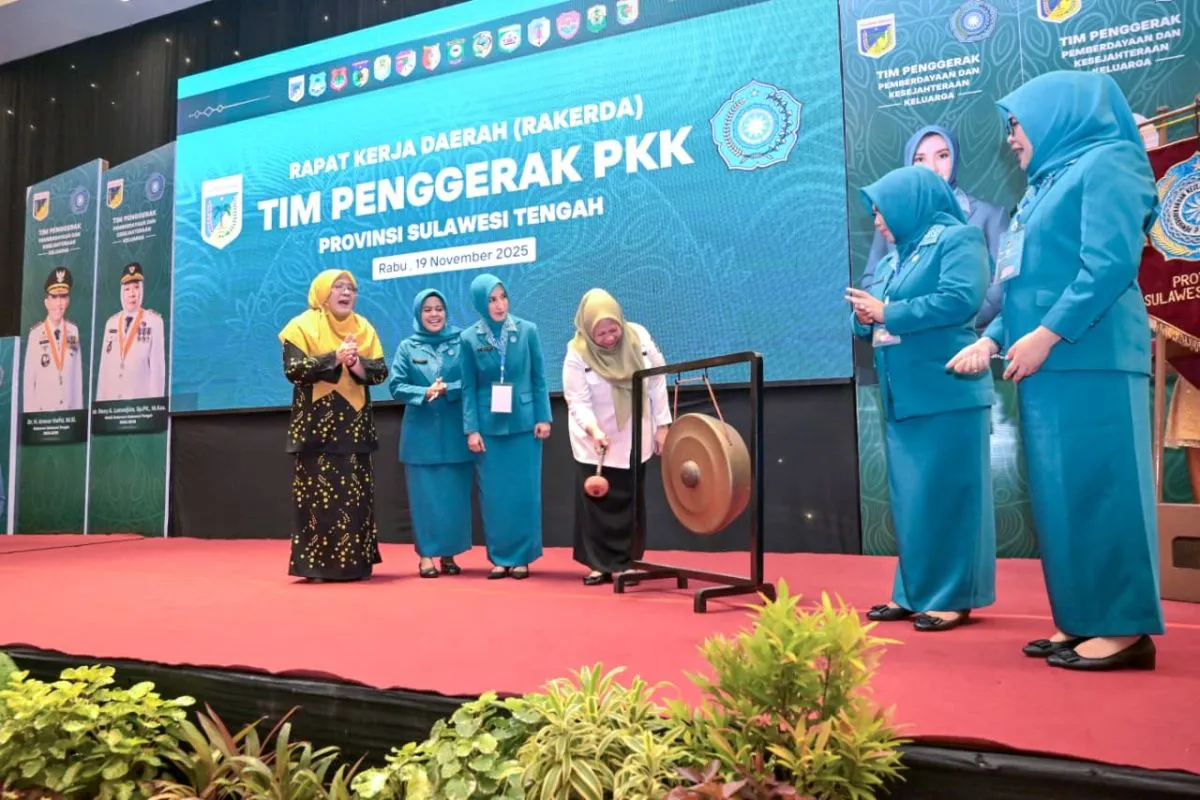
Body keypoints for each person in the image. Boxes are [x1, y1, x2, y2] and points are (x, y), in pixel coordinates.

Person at [948, 70, 1165, 670]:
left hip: (1093, 359)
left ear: (1057, 113)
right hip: (1045, 365)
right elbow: (1023, 287)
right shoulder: (1041, 187)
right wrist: (992, 339)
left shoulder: (1111, 162)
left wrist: (1045, 335)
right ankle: (1082, 616)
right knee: (1062, 498)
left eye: (1017, 123)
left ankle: (1123, 628)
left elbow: (1109, 266)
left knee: (1104, 491)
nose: (1011, 137)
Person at [845, 165, 996, 632]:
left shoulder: (959, 239)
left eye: (881, 211)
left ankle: (952, 597)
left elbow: (961, 299)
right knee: (913, 501)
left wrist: (887, 312)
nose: (877, 221)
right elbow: (870, 315)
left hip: (948, 390)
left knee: (951, 497)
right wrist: (864, 317)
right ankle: (913, 593)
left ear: (909, 204)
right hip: (902, 396)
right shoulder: (892, 260)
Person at [278, 269, 388, 582]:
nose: (346, 292)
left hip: (355, 426)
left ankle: (356, 565)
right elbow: (294, 370)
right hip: (316, 427)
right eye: (338, 287)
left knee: (355, 499)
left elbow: (380, 372)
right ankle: (317, 567)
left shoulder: (364, 327)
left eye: (351, 288)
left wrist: (356, 363)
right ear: (323, 293)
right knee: (318, 500)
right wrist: (335, 358)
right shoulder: (301, 326)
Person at [562, 289, 672, 585]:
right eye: (601, 333)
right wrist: (594, 430)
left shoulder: (640, 337)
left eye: (614, 330)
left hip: (635, 434)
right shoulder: (576, 352)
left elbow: (657, 380)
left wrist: (663, 425)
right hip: (594, 438)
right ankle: (598, 564)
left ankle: (627, 562)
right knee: (597, 504)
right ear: (588, 330)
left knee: (630, 501)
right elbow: (577, 400)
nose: (609, 338)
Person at [863, 124, 1010, 331]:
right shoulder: (890, 218)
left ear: (955, 158)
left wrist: (951, 320)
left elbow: (1002, 285)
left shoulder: (991, 216)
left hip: (968, 338)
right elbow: (872, 280)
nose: (932, 168)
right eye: (920, 159)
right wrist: (894, 316)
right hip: (903, 337)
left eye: (942, 156)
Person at [461, 273, 552, 580]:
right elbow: (468, 388)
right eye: (491, 299)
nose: (499, 305)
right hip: (488, 428)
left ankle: (523, 556)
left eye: (503, 297)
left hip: (525, 425)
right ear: (480, 303)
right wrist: (472, 429)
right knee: (494, 496)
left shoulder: (528, 330)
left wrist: (543, 417)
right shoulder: (469, 338)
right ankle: (500, 557)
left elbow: (539, 377)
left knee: (524, 493)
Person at [388, 289, 473, 578]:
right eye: (427, 309)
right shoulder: (407, 347)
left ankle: (448, 554)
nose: (434, 314)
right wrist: (425, 392)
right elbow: (396, 386)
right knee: (424, 500)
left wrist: (449, 388)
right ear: (418, 314)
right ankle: (426, 555)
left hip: (456, 434)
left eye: (439, 308)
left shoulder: (462, 342)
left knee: (454, 499)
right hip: (420, 438)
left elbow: (472, 381)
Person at [95, 262, 166, 401]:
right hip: (112, 408)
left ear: (142, 290)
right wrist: (100, 407)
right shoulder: (111, 323)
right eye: (127, 289)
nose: (132, 294)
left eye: (136, 288)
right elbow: (104, 373)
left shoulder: (154, 322)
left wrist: (154, 407)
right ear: (121, 292)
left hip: (139, 407)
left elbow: (157, 373)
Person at [23, 267, 84, 413]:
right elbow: (29, 384)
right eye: (54, 297)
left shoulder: (73, 331)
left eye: (63, 297)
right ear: (46, 302)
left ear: (68, 301)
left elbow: (77, 379)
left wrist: (78, 417)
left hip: (68, 415)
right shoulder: (35, 334)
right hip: (43, 417)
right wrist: (31, 419)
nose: (59, 303)